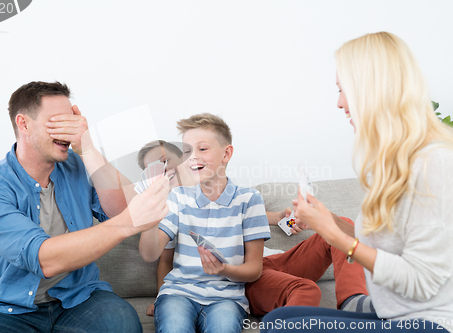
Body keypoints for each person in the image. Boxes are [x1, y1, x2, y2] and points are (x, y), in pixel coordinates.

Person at [261, 32, 453, 332]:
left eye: (343, 89)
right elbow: (379, 244)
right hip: (392, 313)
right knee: (277, 321)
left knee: (286, 328)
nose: (339, 103)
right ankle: (357, 305)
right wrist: (328, 221)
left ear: (374, 89)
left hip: (427, 323)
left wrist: (334, 236)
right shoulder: (392, 164)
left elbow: (421, 282)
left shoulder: (434, 163)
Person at [0, 81, 170, 333]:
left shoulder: (78, 165)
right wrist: (126, 222)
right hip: (13, 310)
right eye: (58, 122)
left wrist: (87, 148)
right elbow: (44, 260)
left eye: (72, 121)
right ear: (23, 124)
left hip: (82, 299)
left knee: (122, 322)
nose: (68, 131)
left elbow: (126, 209)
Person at [139, 141, 371, 318]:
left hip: (273, 260)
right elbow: (165, 263)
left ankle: (354, 302)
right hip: (245, 277)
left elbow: (257, 217)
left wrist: (285, 218)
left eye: (166, 160)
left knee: (344, 223)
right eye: (154, 168)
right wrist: (162, 298)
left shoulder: (234, 196)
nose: (163, 169)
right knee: (306, 289)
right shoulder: (172, 208)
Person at [138, 113, 271, 333]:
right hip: (177, 294)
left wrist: (224, 269)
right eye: (187, 151)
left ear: (226, 153)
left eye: (202, 149)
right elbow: (150, 255)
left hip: (227, 299)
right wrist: (150, 219)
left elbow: (255, 270)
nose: (192, 157)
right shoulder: (177, 197)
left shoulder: (249, 199)